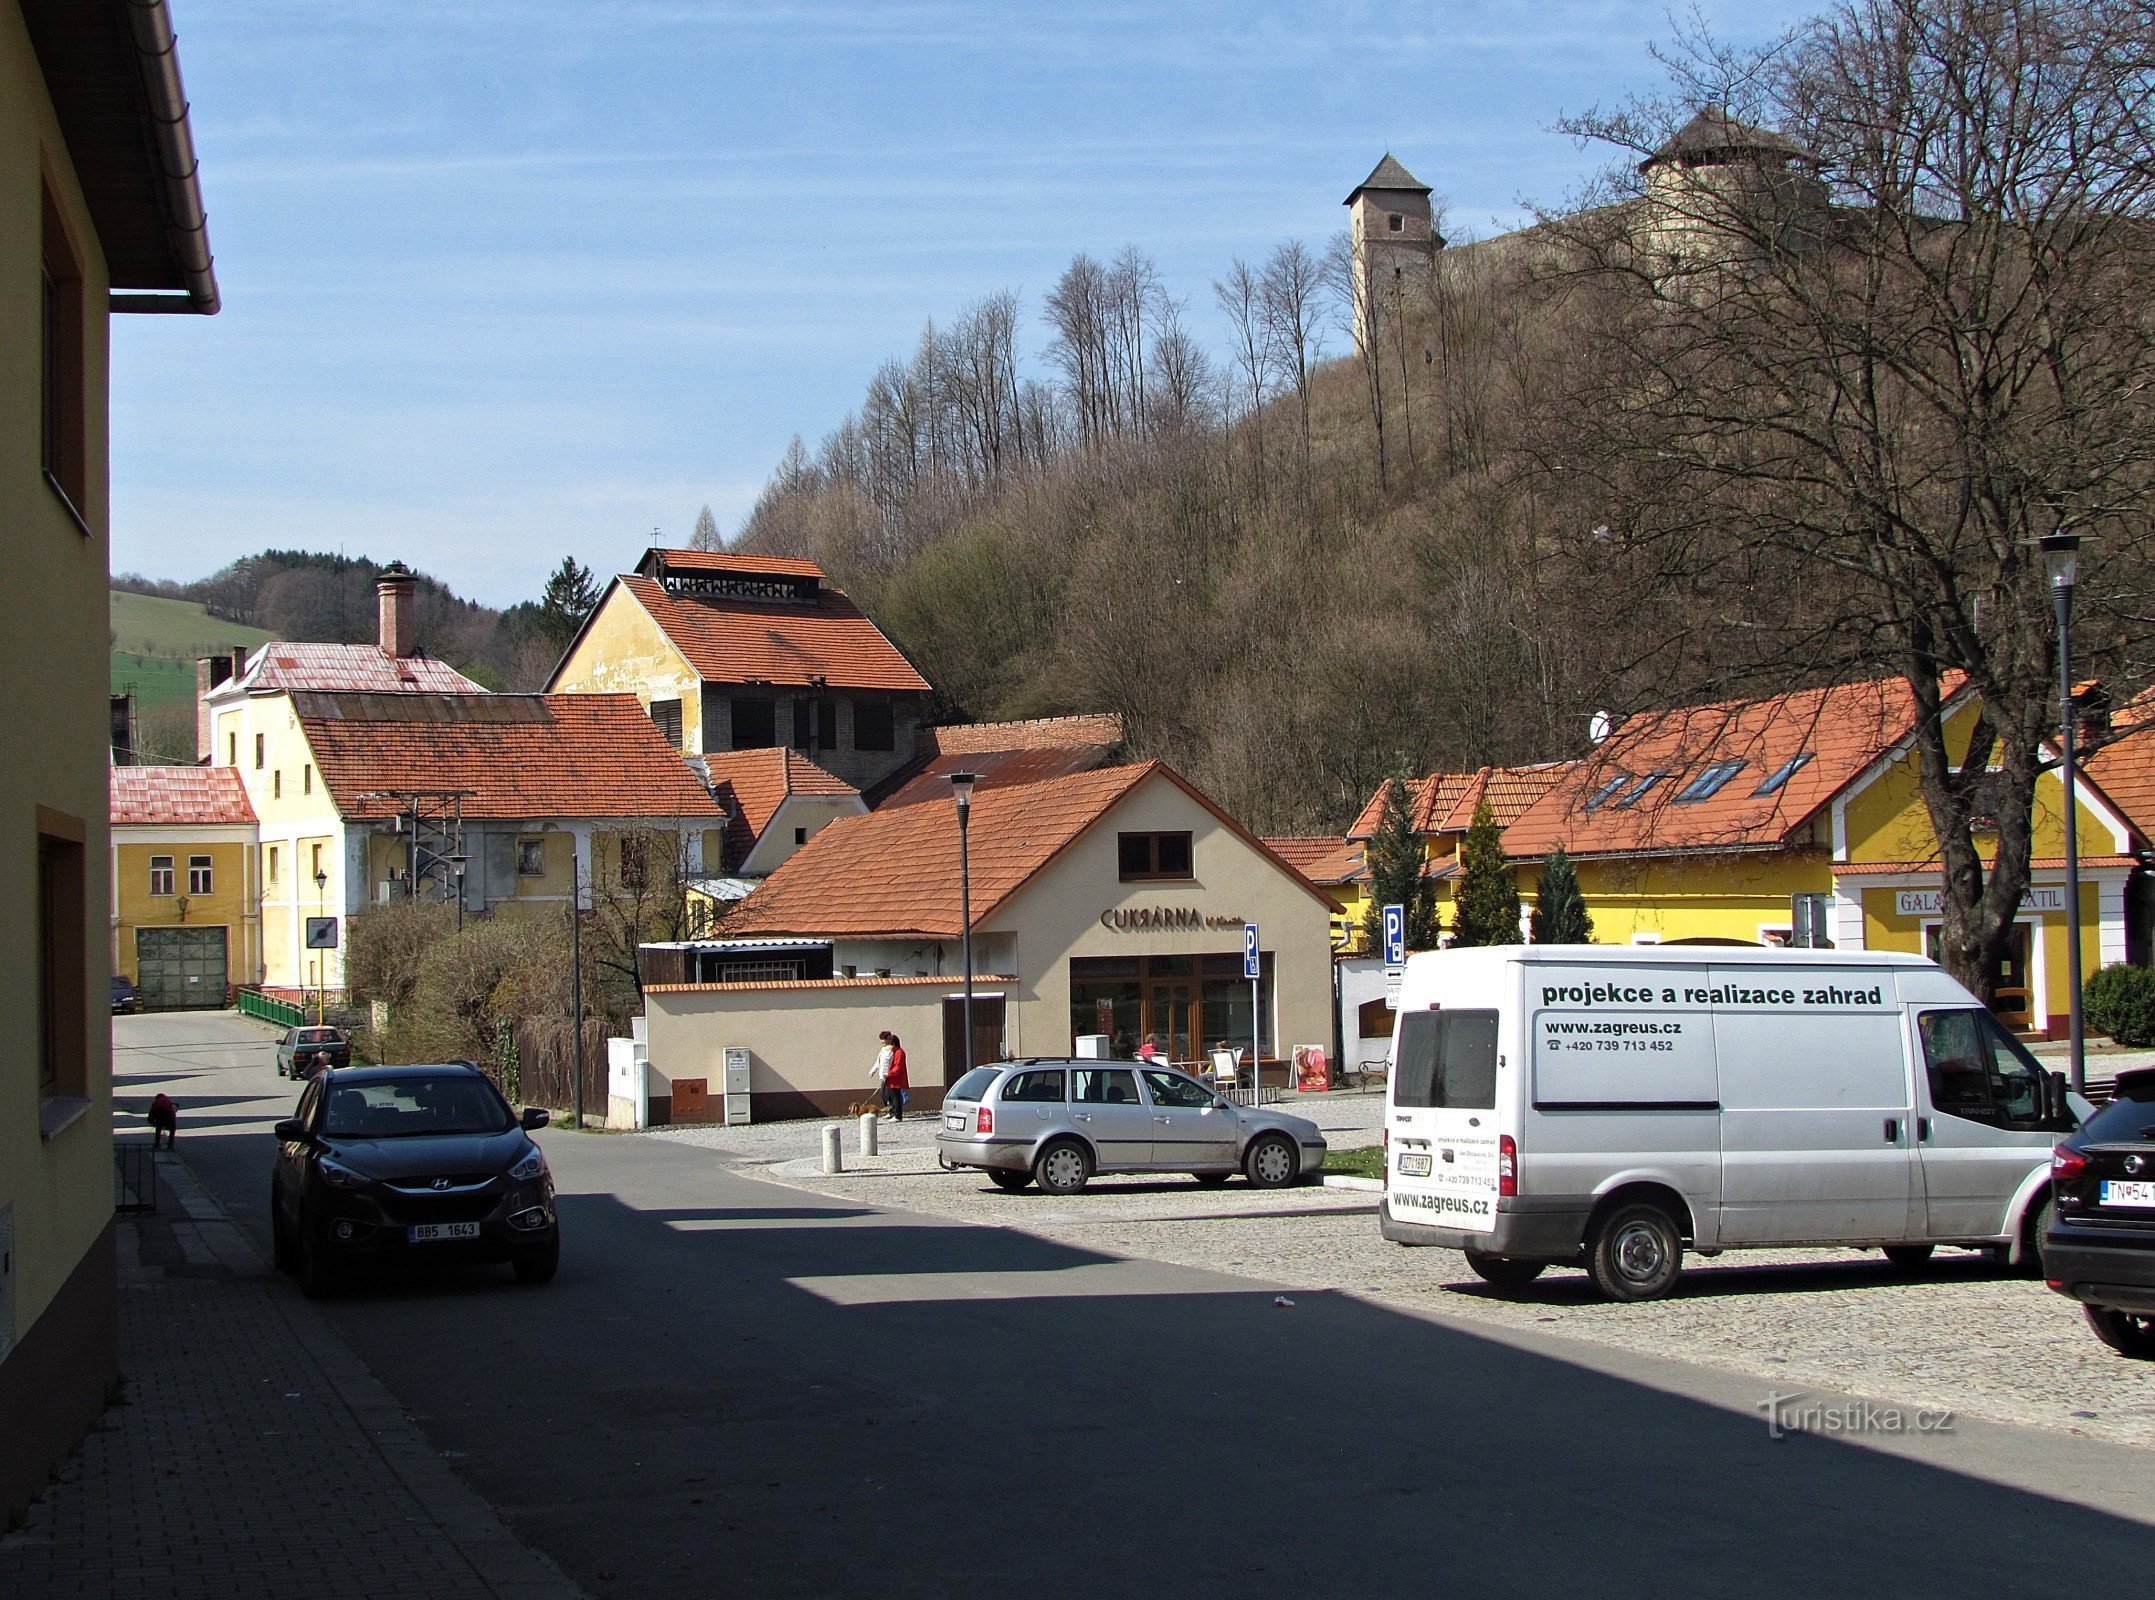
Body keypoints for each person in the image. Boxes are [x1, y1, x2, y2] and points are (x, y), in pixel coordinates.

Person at [881, 1031, 910, 1121]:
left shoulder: (899, 1053)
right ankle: (892, 1112)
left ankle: (898, 1115)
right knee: (887, 1095)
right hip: (891, 1078)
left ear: (893, 1044)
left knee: (895, 1097)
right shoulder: (894, 1052)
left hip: (896, 1079)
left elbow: (898, 1067)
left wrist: (888, 1074)